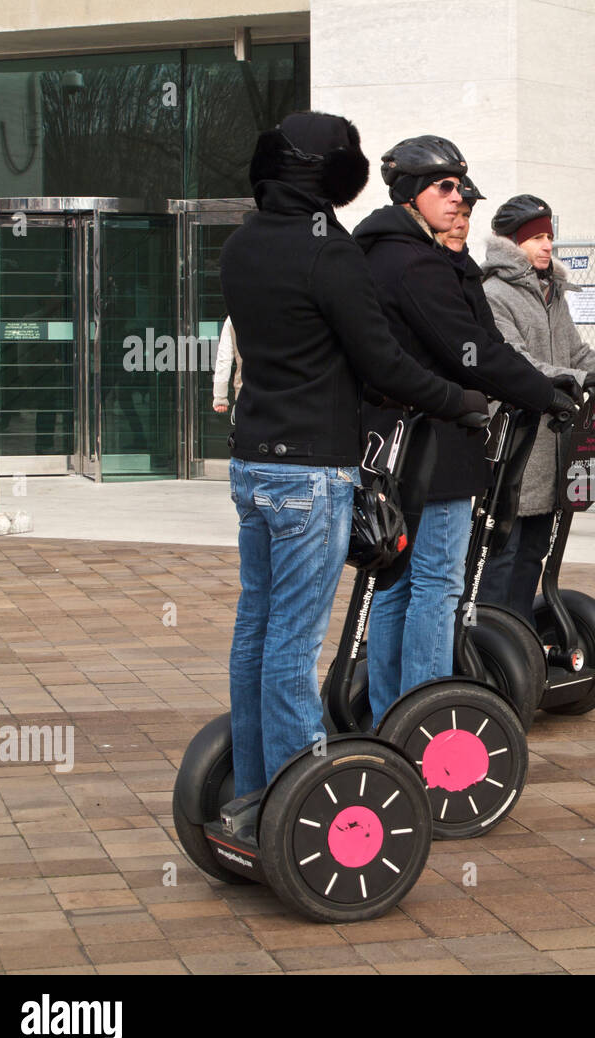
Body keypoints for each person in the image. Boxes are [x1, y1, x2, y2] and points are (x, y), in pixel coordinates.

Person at [219, 111, 488, 796]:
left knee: (255, 629)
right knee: (293, 643)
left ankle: (253, 790)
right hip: (312, 472)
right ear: (333, 175)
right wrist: (458, 400)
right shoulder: (327, 252)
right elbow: (383, 362)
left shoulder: (241, 245)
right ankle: (298, 788)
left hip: (252, 464)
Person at [352, 139, 579, 724]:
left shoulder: (396, 253)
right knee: (435, 585)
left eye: (464, 191)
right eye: (444, 189)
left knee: (398, 587)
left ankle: (389, 717)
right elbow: (474, 352)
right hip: (439, 446)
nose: (460, 202)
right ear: (408, 195)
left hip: (398, 444)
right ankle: (423, 721)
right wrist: (544, 394)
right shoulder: (412, 262)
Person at [479, 194, 595, 623]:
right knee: (504, 552)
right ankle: (490, 643)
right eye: (535, 237)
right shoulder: (494, 293)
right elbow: (514, 360)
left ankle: (518, 643)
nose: (545, 246)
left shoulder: (551, 292)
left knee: (535, 551)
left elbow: (577, 352)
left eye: (549, 237)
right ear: (511, 244)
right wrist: (578, 380)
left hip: (554, 443)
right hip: (515, 445)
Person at [211, 316, 241, 414]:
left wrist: (220, 397)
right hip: (281, 390)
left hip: (246, 391)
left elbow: (224, 359)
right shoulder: (283, 308)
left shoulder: (233, 317)